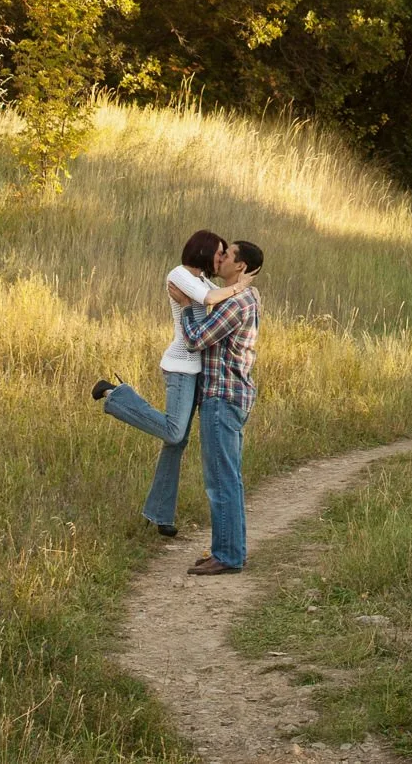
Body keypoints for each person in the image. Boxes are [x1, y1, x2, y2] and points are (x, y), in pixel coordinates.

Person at [91, 229, 226, 537]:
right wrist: (242, 286)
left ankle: (160, 514)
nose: (221, 259)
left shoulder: (202, 281)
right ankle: (115, 394)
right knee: (174, 431)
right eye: (219, 253)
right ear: (204, 251)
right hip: (180, 366)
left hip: (196, 369)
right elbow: (209, 300)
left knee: (177, 443)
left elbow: (214, 300)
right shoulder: (179, 275)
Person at [176, 238, 262, 576]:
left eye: (228, 255)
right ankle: (231, 551)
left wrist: (185, 307)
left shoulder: (236, 304)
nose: (221, 258)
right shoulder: (247, 296)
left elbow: (196, 340)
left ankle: (226, 555)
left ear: (240, 266)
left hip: (222, 397)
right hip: (233, 396)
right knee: (230, 477)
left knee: (221, 480)